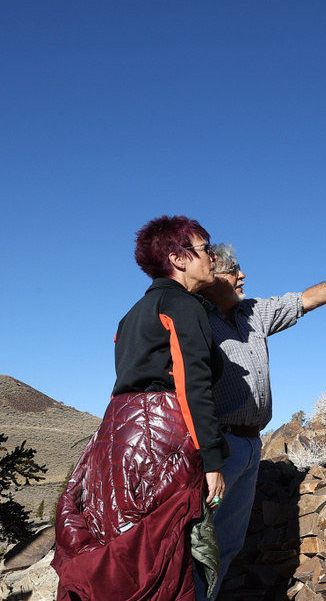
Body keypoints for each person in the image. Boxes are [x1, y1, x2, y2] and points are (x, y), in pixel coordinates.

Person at [196, 244, 326, 600]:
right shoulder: (197, 321)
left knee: (229, 543)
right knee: (202, 542)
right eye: (234, 269)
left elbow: (305, 300)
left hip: (251, 445)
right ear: (211, 276)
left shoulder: (253, 313)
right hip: (217, 448)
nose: (243, 275)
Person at [54, 216, 229, 601]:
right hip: (159, 439)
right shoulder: (183, 305)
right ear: (178, 259)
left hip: (116, 439)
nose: (213, 258)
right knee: (162, 552)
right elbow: (191, 385)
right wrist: (212, 461)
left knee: (121, 541)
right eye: (205, 249)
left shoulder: (130, 315)